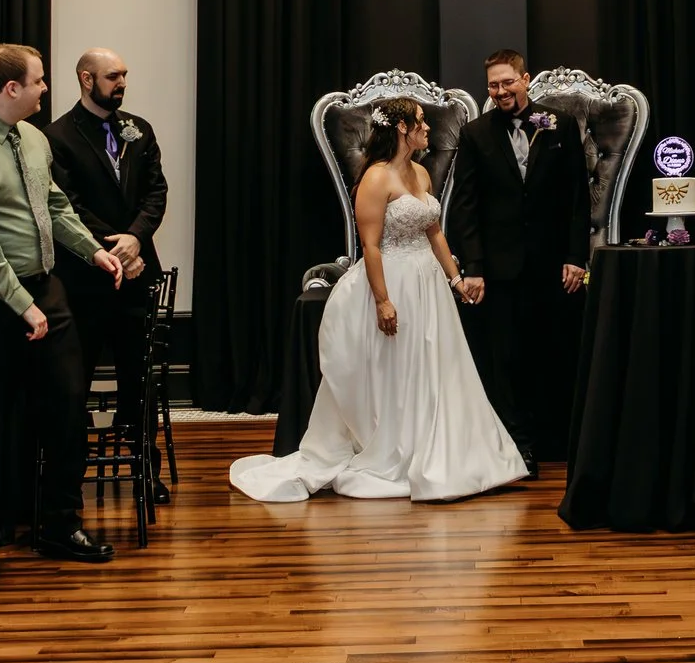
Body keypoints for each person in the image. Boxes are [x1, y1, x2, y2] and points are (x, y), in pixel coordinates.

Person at [230, 97, 527, 503]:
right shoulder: (375, 178)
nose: (428, 129)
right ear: (402, 128)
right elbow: (370, 246)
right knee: (399, 369)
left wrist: (455, 279)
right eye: (421, 122)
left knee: (435, 366)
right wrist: (383, 300)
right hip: (394, 279)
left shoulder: (421, 172)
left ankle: (446, 449)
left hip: (428, 283)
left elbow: (434, 231)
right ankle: (397, 449)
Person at [0, 44, 127, 583]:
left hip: (46, 288)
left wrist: (92, 249)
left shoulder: (34, 139)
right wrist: (22, 305)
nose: (46, 88)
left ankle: (60, 523)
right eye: (39, 81)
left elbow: (55, 206)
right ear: (11, 88)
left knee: (67, 409)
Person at [443, 49, 590, 473]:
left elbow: (579, 199)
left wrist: (575, 257)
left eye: (508, 82)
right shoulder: (474, 135)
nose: (501, 91)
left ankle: (557, 442)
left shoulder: (560, 125)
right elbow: (465, 207)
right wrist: (474, 267)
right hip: (500, 268)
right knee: (505, 360)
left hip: (553, 266)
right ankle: (517, 444)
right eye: (493, 84)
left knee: (552, 351)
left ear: (526, 79)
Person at [46, 49, 167, 472]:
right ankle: (72, 468)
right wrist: (114, 250)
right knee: (75, 378)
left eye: (124, 75)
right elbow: (68, 206)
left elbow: (156, 192)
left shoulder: (140, 130)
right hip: (85, 278)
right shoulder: (57, 136)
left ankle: (143, 468)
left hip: (137, 273)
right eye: (113, 76)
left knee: (139, 375)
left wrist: (135, 238)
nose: (122, 83)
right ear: (86, 78)